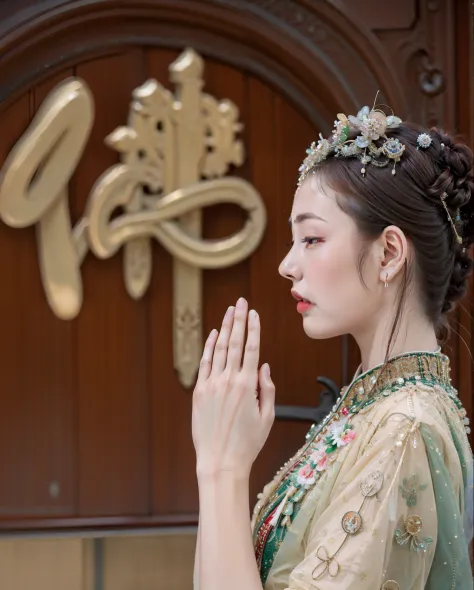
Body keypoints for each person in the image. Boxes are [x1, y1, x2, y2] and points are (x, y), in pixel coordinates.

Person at [191, 100, 474, 590]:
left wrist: (222, 468)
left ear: (388, 252)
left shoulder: (404, 427)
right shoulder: (376, 407)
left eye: (312, 239)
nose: (288, 265)